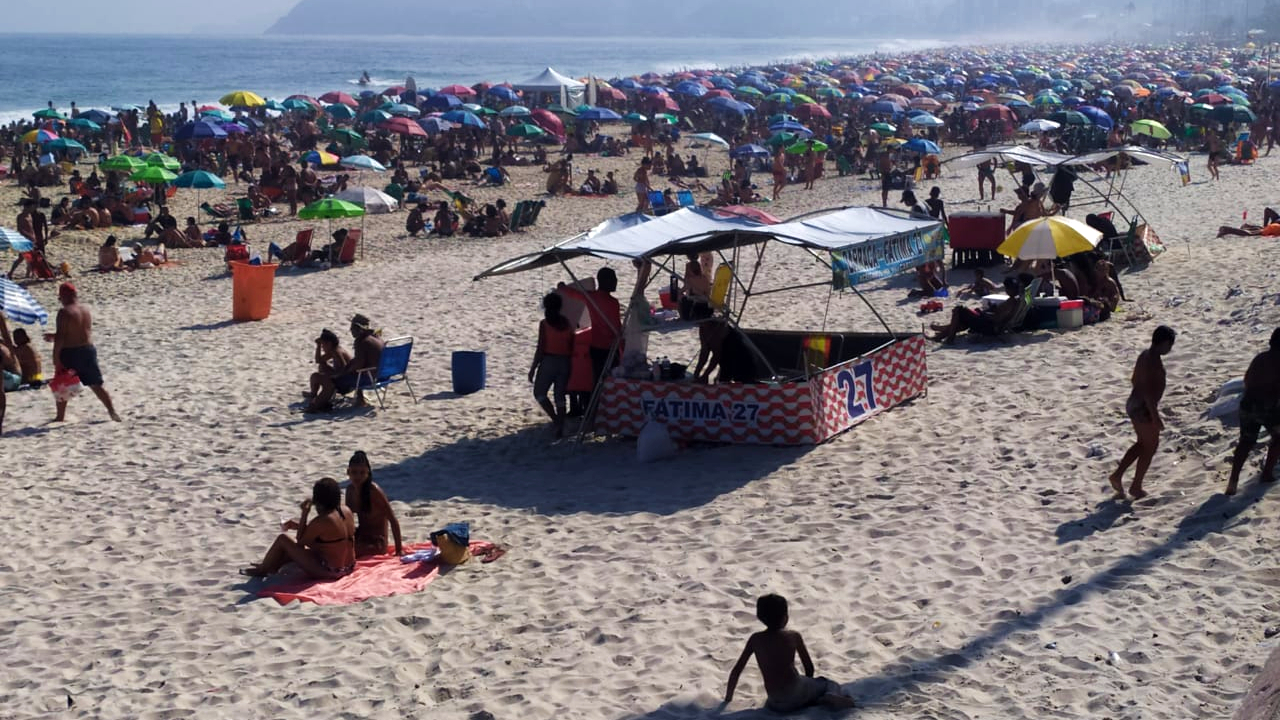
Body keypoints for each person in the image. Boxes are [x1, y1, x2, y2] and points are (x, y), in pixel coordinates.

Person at [724, 594, 856, 712]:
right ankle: (835, 699)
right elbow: (809, 667)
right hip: (796, 693)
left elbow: (737, 670)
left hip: (775, 702)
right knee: (827, 683)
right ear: (785, 617)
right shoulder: (793, 636)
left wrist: (728, 699)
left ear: (760, 617)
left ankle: (811, 699)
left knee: (797, 693)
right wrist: (808, 682)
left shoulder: (755, 639)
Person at [1108, 325, 1176, 501]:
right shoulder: (1153, 361)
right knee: (1150, 446)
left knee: (1142, 444)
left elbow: (1134, 379)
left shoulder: (1145, 355)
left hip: (1134, 403)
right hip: (1143, 407)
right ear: (1163, 343)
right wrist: (1155, 416)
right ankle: (1135, 486)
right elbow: (1147, 392)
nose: (1170, 349)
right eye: (1170, 345)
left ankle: (1118, 475)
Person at [241, 477, 356, 579]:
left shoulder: (322, 520)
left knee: (283, 539)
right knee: (295, 550)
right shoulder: (346, 511)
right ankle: (269, 565)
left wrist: (304, 514)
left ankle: (262, 570)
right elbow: (328, 534)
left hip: (332, 571)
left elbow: (300, 543)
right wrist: (296, 526)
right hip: (349, 566)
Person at [47, 283, 120, 423]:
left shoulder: (64, 312)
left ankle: (60, 417)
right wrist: (54, 336)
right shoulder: (85, 309)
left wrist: (56, 358)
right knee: (96, 384)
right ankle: (111, 410)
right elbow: (79, 332)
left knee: (62, 383)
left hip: (70, 353)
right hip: (88, 350)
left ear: (63, 296)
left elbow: (62, 337)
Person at [1225, 328, 1280, 496]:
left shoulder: (1260, 358)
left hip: (1247, 404)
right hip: (1267, 406)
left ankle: (1233, 482)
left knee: (1246, 442)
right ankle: (1267, 473)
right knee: (1278, 437)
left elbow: (1247, 379)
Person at [559, 268, 621, 393]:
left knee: (598, 379)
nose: (616, 281)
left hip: (595, 347)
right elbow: (616, 327)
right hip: (609, 348)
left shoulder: (591, 297)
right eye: (613, 279)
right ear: (606, 281)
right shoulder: (613, 302)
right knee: (610, 380)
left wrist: (562, 287)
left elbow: (573, 293)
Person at [306, 314, 384, 413]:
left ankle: (316, 404)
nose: (351, 330)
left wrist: (345, 372)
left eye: (353, 328)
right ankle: (359, 399)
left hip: (368, 377)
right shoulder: (377, 338)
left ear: (359, 329)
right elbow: (362, 361)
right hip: (381, 375)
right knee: (324, 371)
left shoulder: (362, 342)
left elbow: (359, 364)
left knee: (325, 380)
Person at [528, 292, 575, 438]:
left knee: (539, 393)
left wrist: (533, 367)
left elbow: (540, 348)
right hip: (565, 361)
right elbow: (571, 344)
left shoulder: (544, 324)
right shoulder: (567, 323)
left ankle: (555, 420)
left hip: (549, 361)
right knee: (560, 396)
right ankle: (560, 424)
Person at [928, 277, 1024, 343]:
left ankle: (949, 338)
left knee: (958, 310)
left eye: (1007, 288)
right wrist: (992, 309)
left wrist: (984, 314)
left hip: (989, 326)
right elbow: (1000, 314)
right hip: (990, 323)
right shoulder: (1015, 301)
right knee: (964, 318)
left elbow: (997, 319)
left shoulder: (1011, 302)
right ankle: (941, 334)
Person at [344, 451, 404, 557]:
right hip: (361, 536)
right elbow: (348, 520)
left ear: (368, 473)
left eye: (362, 473)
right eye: (354, 472)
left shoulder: (374, 491)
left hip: (377, 542)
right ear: (348, 472)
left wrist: (399, 550)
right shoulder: (350, 490)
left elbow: (393, 519)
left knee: (347, 551)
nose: (358, 476)